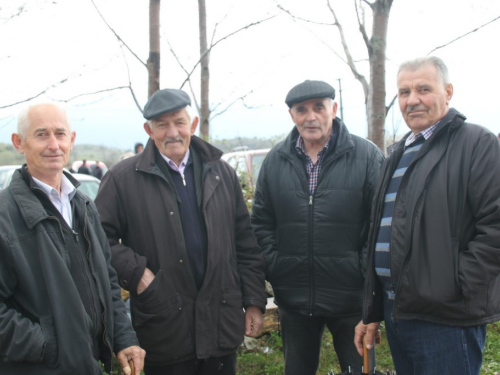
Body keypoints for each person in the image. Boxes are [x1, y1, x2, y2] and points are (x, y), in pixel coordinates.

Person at [95, 88, 266, 375]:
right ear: (149, 130)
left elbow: (244, 242)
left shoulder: (221, 173)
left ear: (193, 124)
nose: (172, 132)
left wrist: (253, 300)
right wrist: (139, 274)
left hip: (220, 320)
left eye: (179, 122)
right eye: (162, 125)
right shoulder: (122, 179)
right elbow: (99, 239)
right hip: (164, 323)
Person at [354, 56, 500, 375]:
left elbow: (495, 229)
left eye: (424, 89)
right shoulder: (398, 154)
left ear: (448, 91)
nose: (413, 100)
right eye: (404, 92)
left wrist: (456, 287)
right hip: (398, 312)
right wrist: (373, 309)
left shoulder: (477, 144)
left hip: (445, 318)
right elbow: (383, 231)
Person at [0, 102, 145, 375]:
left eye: (60, 133)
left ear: (72, 139)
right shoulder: (5, 217)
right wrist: (49, 346)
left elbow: (108, 285)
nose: (53, 144)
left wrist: (123, 339)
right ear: (19, 143)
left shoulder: (84, 206)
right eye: (41, 134)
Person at [251, 80, 384, 374]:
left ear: (333, 109)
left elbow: (381, 223)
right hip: (295, 299)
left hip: (351, 299)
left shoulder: (367, 156)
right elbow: (261, 222)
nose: (310, 117)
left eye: (318, 107)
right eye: (302, 109)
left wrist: (360, 269)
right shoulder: (275, 161)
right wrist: (277, 264)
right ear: (292, 115)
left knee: (359, 370)